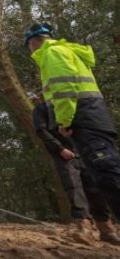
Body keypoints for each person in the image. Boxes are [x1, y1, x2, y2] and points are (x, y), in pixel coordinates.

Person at [25, 22, 120, 242]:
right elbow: (43, 126)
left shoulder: (52, 53)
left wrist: (65, 121)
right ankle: (90, 228)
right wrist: (59, 146)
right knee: (101, 176)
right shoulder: (69, 53)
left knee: (108, 177)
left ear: (33, 43)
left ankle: (105, 227)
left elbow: (65, 87)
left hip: (84, 123)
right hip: (91, 123)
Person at [33, 101, 120, 244]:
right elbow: (41, 131)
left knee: (96, 189)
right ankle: (84, 228)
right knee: (74, 188)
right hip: (63, 155)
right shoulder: (41, 108)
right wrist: (60, 148)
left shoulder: (73, 102)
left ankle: (106, 230)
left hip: (84, 150)